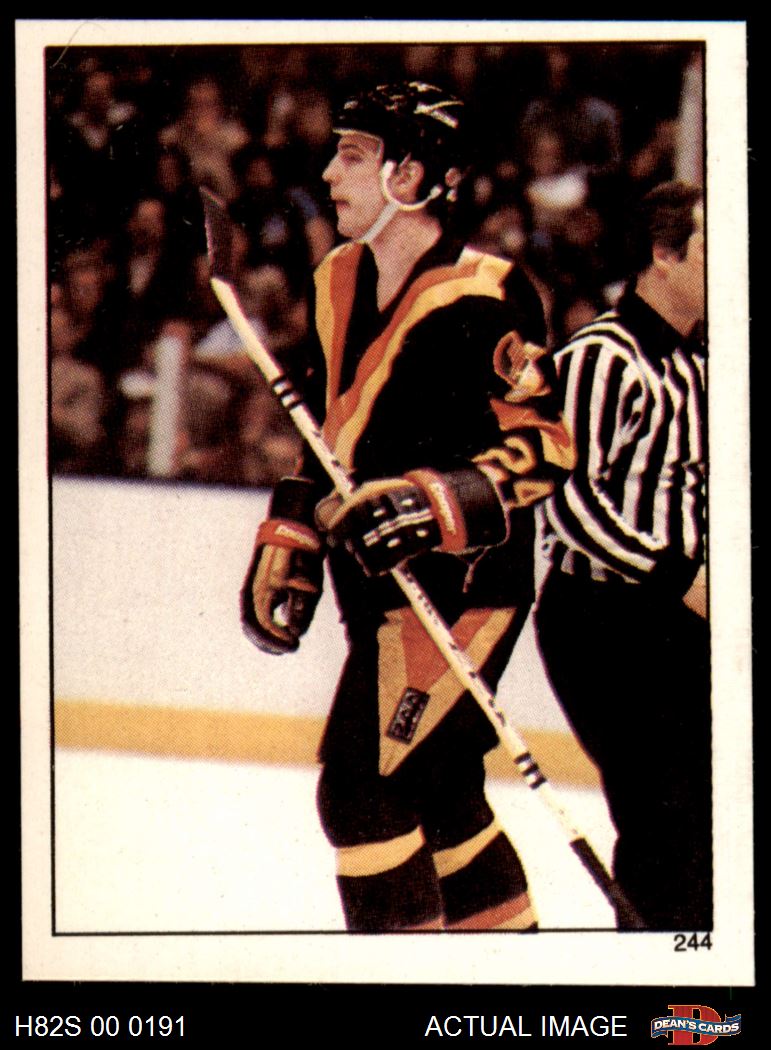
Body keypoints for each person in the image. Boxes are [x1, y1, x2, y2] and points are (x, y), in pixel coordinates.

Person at [240, 82, 574, 932]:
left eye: (352, 155)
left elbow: (546, 446)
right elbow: (326, 428)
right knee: (444, 792)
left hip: (460, 592)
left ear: (412, 174)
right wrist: (293, 526)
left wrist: (439, 500)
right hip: (373, 588)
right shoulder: (335, 277)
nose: (329, 173)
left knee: (362, 792)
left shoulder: (487, 293)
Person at [533, 180, 710, 930]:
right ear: (663, 255)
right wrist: (679, 576)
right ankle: (660, 981)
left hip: (682, 620)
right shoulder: (601, 358)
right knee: (664, 815)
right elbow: (564, 499)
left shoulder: (704, 361)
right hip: (604, 620)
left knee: (707, 816)